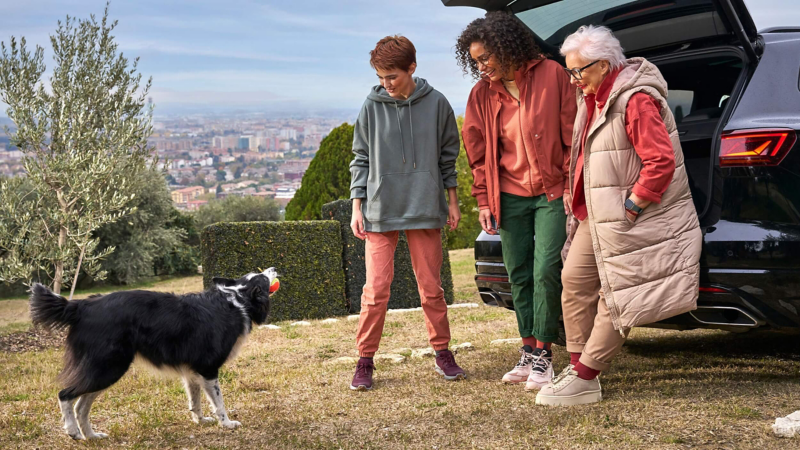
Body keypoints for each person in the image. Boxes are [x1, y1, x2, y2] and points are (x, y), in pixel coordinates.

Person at [535, 25, 702, 406]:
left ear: (606, 63)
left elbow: (660, 162)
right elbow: (583, 155)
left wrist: (633, 205)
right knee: (573, 280)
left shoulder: (635, 99)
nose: (575, 80)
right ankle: (577, 370)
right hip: (594, 214)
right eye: (570, 72)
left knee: (619, 292)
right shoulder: (591, 96)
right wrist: (570, 192)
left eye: (581, 71)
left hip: (627, 214)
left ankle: (587, 372)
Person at [457, 12, 577, 391]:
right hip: (507, 197)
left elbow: (573, 133)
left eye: (486, 57)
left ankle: (544, 355)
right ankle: (528, 351)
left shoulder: (552, 75)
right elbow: (477, 155)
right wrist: (483, 200)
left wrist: (574, 183)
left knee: (545, 270)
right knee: (518, 273)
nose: (481, 66)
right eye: (475, 60)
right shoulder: (480, 94)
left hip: (552, 192)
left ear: (507, 48)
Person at [348, 35, 465, 391]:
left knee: (431, 289)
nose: (386, 84)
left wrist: (453, 201)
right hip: (380, 209)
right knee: (376, 290)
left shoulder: (438, 104)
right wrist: (357, 205)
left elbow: (448, 158)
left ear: (412, 68)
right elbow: (361, 158)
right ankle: (365, 360)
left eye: (392, 76)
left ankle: (442, 352)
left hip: (425, 206)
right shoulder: (371, 106)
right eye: (381, 76)